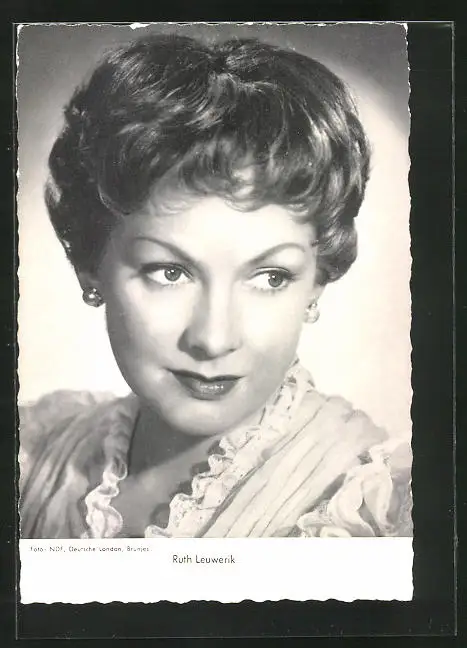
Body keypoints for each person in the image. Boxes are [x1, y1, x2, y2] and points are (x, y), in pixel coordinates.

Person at [18, 34, 412, 539]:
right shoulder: (36, 455)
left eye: (270, 277)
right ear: (92, 269)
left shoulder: (375, 509)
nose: (214, 338)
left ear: (315, 284)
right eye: (170, 272)